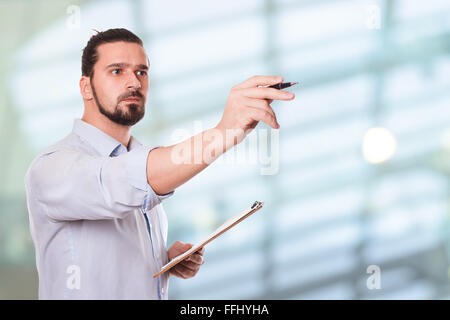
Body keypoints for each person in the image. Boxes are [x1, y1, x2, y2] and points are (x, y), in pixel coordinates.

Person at [24, 28, 295, 300]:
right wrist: (224, 132)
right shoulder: (52, 168)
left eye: (141, 72)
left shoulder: (142, 159)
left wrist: (161, 261)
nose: (134, 83)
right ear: (86, 87)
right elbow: (125, 180)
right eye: (117, 71)